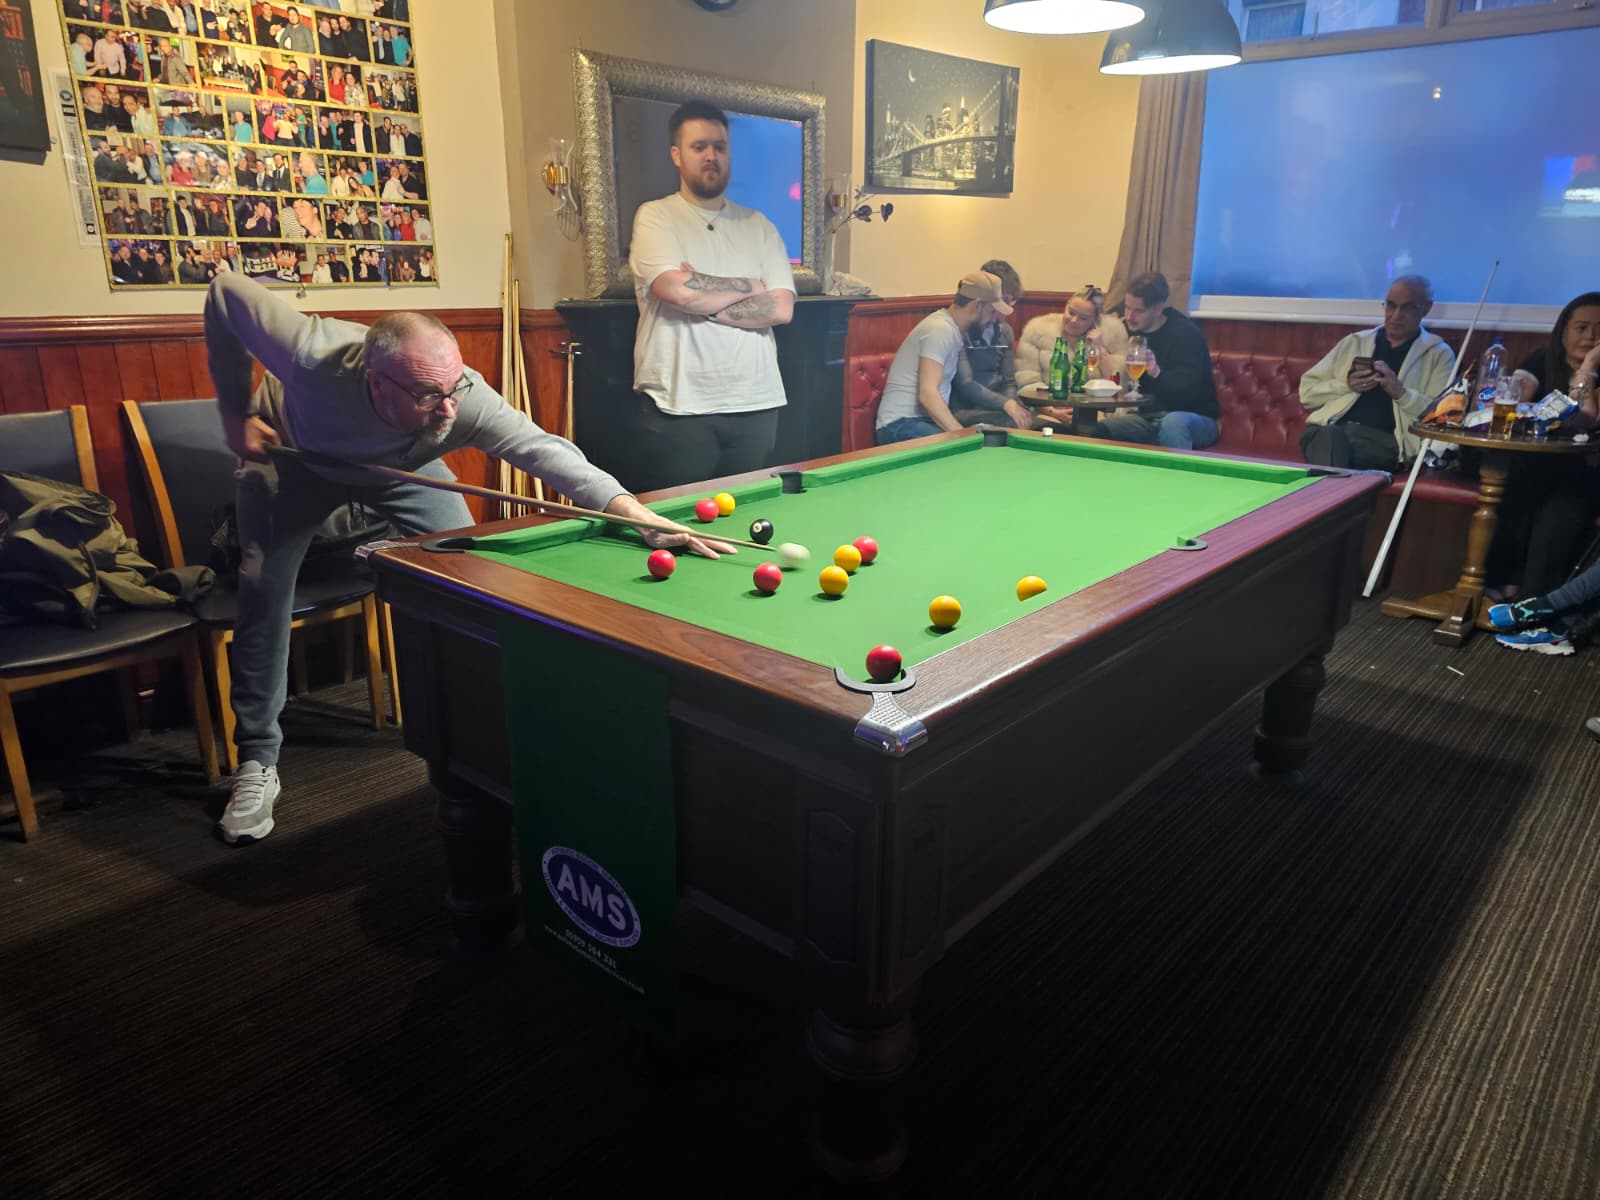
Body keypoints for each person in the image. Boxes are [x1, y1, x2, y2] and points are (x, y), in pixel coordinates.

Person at [202, 274, 730, 844]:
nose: (451, 408)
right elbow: (225, 294)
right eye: (430, 394)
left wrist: (634, 514)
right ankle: (257, 757)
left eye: (455, 386)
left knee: (468, 574)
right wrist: (233, 413)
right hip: (292, 456)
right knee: (263, 582)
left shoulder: (457, 401)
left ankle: (495, 724)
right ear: (375, 383)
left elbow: (546, 451)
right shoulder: (312, 353)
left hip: (404, 464)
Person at [626, 100, 795, 492]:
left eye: (719, 147)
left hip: (756, 404)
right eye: (698, 146)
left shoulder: (759, 225)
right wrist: (751, 286)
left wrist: (704, 297)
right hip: (679, 409)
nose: (711, 156)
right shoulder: (655, 216)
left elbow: (782, 307)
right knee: (681, 529)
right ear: (676, 154)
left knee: (746, 517)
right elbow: (673, 290)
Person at [1485, 293, 1600, 602]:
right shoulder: (1542, 358)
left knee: (1561, 503)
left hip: (1587, 470)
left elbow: (1585, 418)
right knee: (1512, 481)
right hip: (1537, 463)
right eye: (1581, 327)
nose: (1590, 337)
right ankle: (1500, 582)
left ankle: (1533, 601)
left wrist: (1588, 366)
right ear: (1563, 331)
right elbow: (1516, 398)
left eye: (1599, 329)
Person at [1298, 275, 1456, 471]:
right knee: (1328, 438)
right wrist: (1347, 386)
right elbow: (1307, 394)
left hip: (1384, 443)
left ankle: (1326, 496)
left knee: (1331, 455)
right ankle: (1336, 495)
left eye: (1407, 307)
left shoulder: (1438, 354)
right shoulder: (1354, 342)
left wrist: (1401, 393)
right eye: (1391, 305)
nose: (1396, 315)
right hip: (1328, 431)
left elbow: (1440, 418)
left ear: (1426, 308)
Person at [874, 271, 1014, 444]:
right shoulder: (940, 329)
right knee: (970, 450)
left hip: (921, 423)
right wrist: (961, 434)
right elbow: (927, 394)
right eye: (992, 312)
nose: (994, 320)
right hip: (900, 425)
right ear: (977, 305)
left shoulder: (952, 329)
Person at [1095, 272, 1219, 450]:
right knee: (1104, 430)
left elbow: (1187, 395)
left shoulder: (1185, 334)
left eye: (1138, 311)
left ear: (1159, 308)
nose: (1130, 316)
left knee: (1172, 424)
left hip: (1194, 418)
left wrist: (1156, 373)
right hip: (1147, 417)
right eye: (1127, 308)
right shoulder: (1125, 331)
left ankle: (1177, 477)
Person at [948, 259, 1030, 430]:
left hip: (997, 407)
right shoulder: (961, 328)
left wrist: (1012, 405)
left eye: (1011, 301)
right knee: (1011, 424)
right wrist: (1005, 404)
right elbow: (965, 384)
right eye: (1003, 300)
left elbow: (1008, 381)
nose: (1006, 309)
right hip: (965, 409)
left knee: (1037, 423)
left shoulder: (1005, 331)